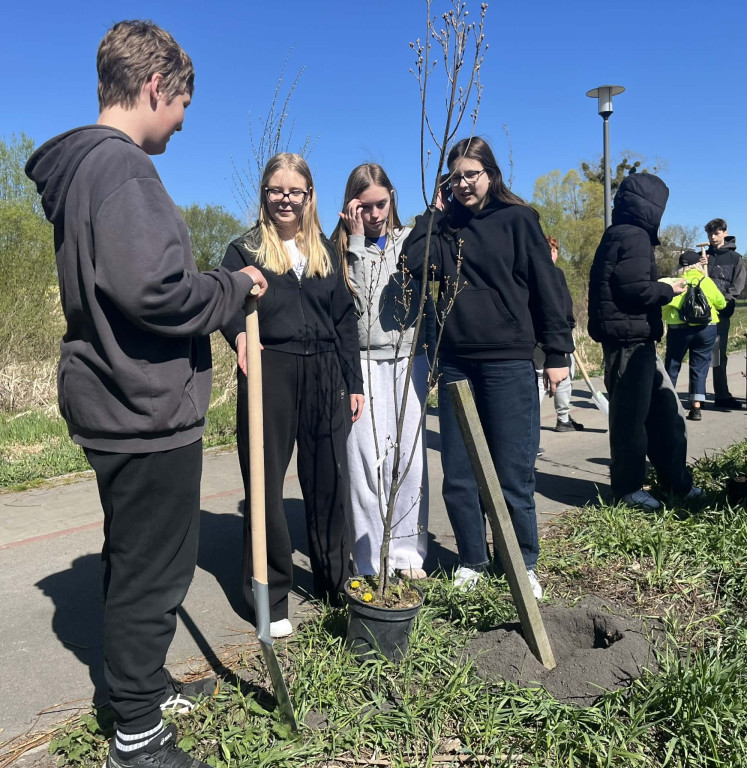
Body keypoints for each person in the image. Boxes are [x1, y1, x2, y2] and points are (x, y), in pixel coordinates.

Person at [24, 21, 267, 768]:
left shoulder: (86, 173)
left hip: (114, 398)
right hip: (141, 404)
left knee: (135, 557)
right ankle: (135, 736)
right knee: (155, 568)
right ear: (155, 87)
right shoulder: (122, 170)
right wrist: (234, 287)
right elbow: (152, 289)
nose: (185, 120)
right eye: (184, 102)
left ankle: (138, 683)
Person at [403, 136, 573, 599]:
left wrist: (557, 352)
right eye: (454, 177)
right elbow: (410, 262)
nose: (463, 184)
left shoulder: (518, 220)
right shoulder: (443, 229)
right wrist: (432, 213)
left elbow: (547, 286)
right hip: (457, 363)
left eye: (471, 174)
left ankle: (521, 562)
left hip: (508, 362)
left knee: (512, 469)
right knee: (459, 470)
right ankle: (473, 560)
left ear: (491, 175)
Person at [220, 153, 363, 639]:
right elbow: (224, 304)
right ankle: (269, 592)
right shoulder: (243, 250)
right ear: (265, 194)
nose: (285, 198)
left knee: (328, 482)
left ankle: (332, 581)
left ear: (308, 196)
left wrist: (355, 382)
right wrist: (238, 334)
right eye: (276, 190)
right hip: (270, 369)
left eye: (294, 191)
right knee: (264, 485)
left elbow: (345, 319)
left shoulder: (326, 250)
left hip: (325, 371)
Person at [331, 163, 429, 580]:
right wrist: (354, 243)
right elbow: (355, 303)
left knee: (408, 459)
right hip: (364, 361)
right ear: (351, 206)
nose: (374, 215)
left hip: (409, 358)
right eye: (364, 207)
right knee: (364, 463)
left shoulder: (409, 241)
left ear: (392, 197)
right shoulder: (339, 248)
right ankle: (370, 559)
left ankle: (407, 555)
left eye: (381, 204)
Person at [588, 173, 700, 512]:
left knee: (666, 413)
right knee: (631, 420)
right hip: (628, 342)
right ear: (651, 207)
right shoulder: (634, 237)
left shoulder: (618, 234)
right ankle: (629, 489)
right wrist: (669, 289)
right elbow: (636, 290)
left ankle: (674, 480)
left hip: (634, 339)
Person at [663, 250, 725, 421]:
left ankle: (667, 404)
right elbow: (721, 303)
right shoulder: (706, 281)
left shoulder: (674, 282)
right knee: (700, 366)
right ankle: (696, 407)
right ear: (698, 264)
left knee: (673, 364)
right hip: (706, 329)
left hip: (679, 329)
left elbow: (664, 306)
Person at [535, 236, 584, 435]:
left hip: (534, 336)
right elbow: (563, 306)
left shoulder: (525, 273)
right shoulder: (555, 274)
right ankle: (563, 419)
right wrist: (568, 327)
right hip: (556, 334)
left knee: (538, 379)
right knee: (562, 377)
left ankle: (530, 426)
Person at [704, 218, 745, 409]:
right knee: (698, 354)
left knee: (717, 354)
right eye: (710, 233)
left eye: (716, 233)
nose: (713, 237)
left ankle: (721, 395)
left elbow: (737, 285)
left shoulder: (735, 258)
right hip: (701, 312)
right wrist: (696, 264)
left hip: (721, 313)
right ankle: (698, 397)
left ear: (725, 232)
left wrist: (723, 300)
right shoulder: (702, 256)